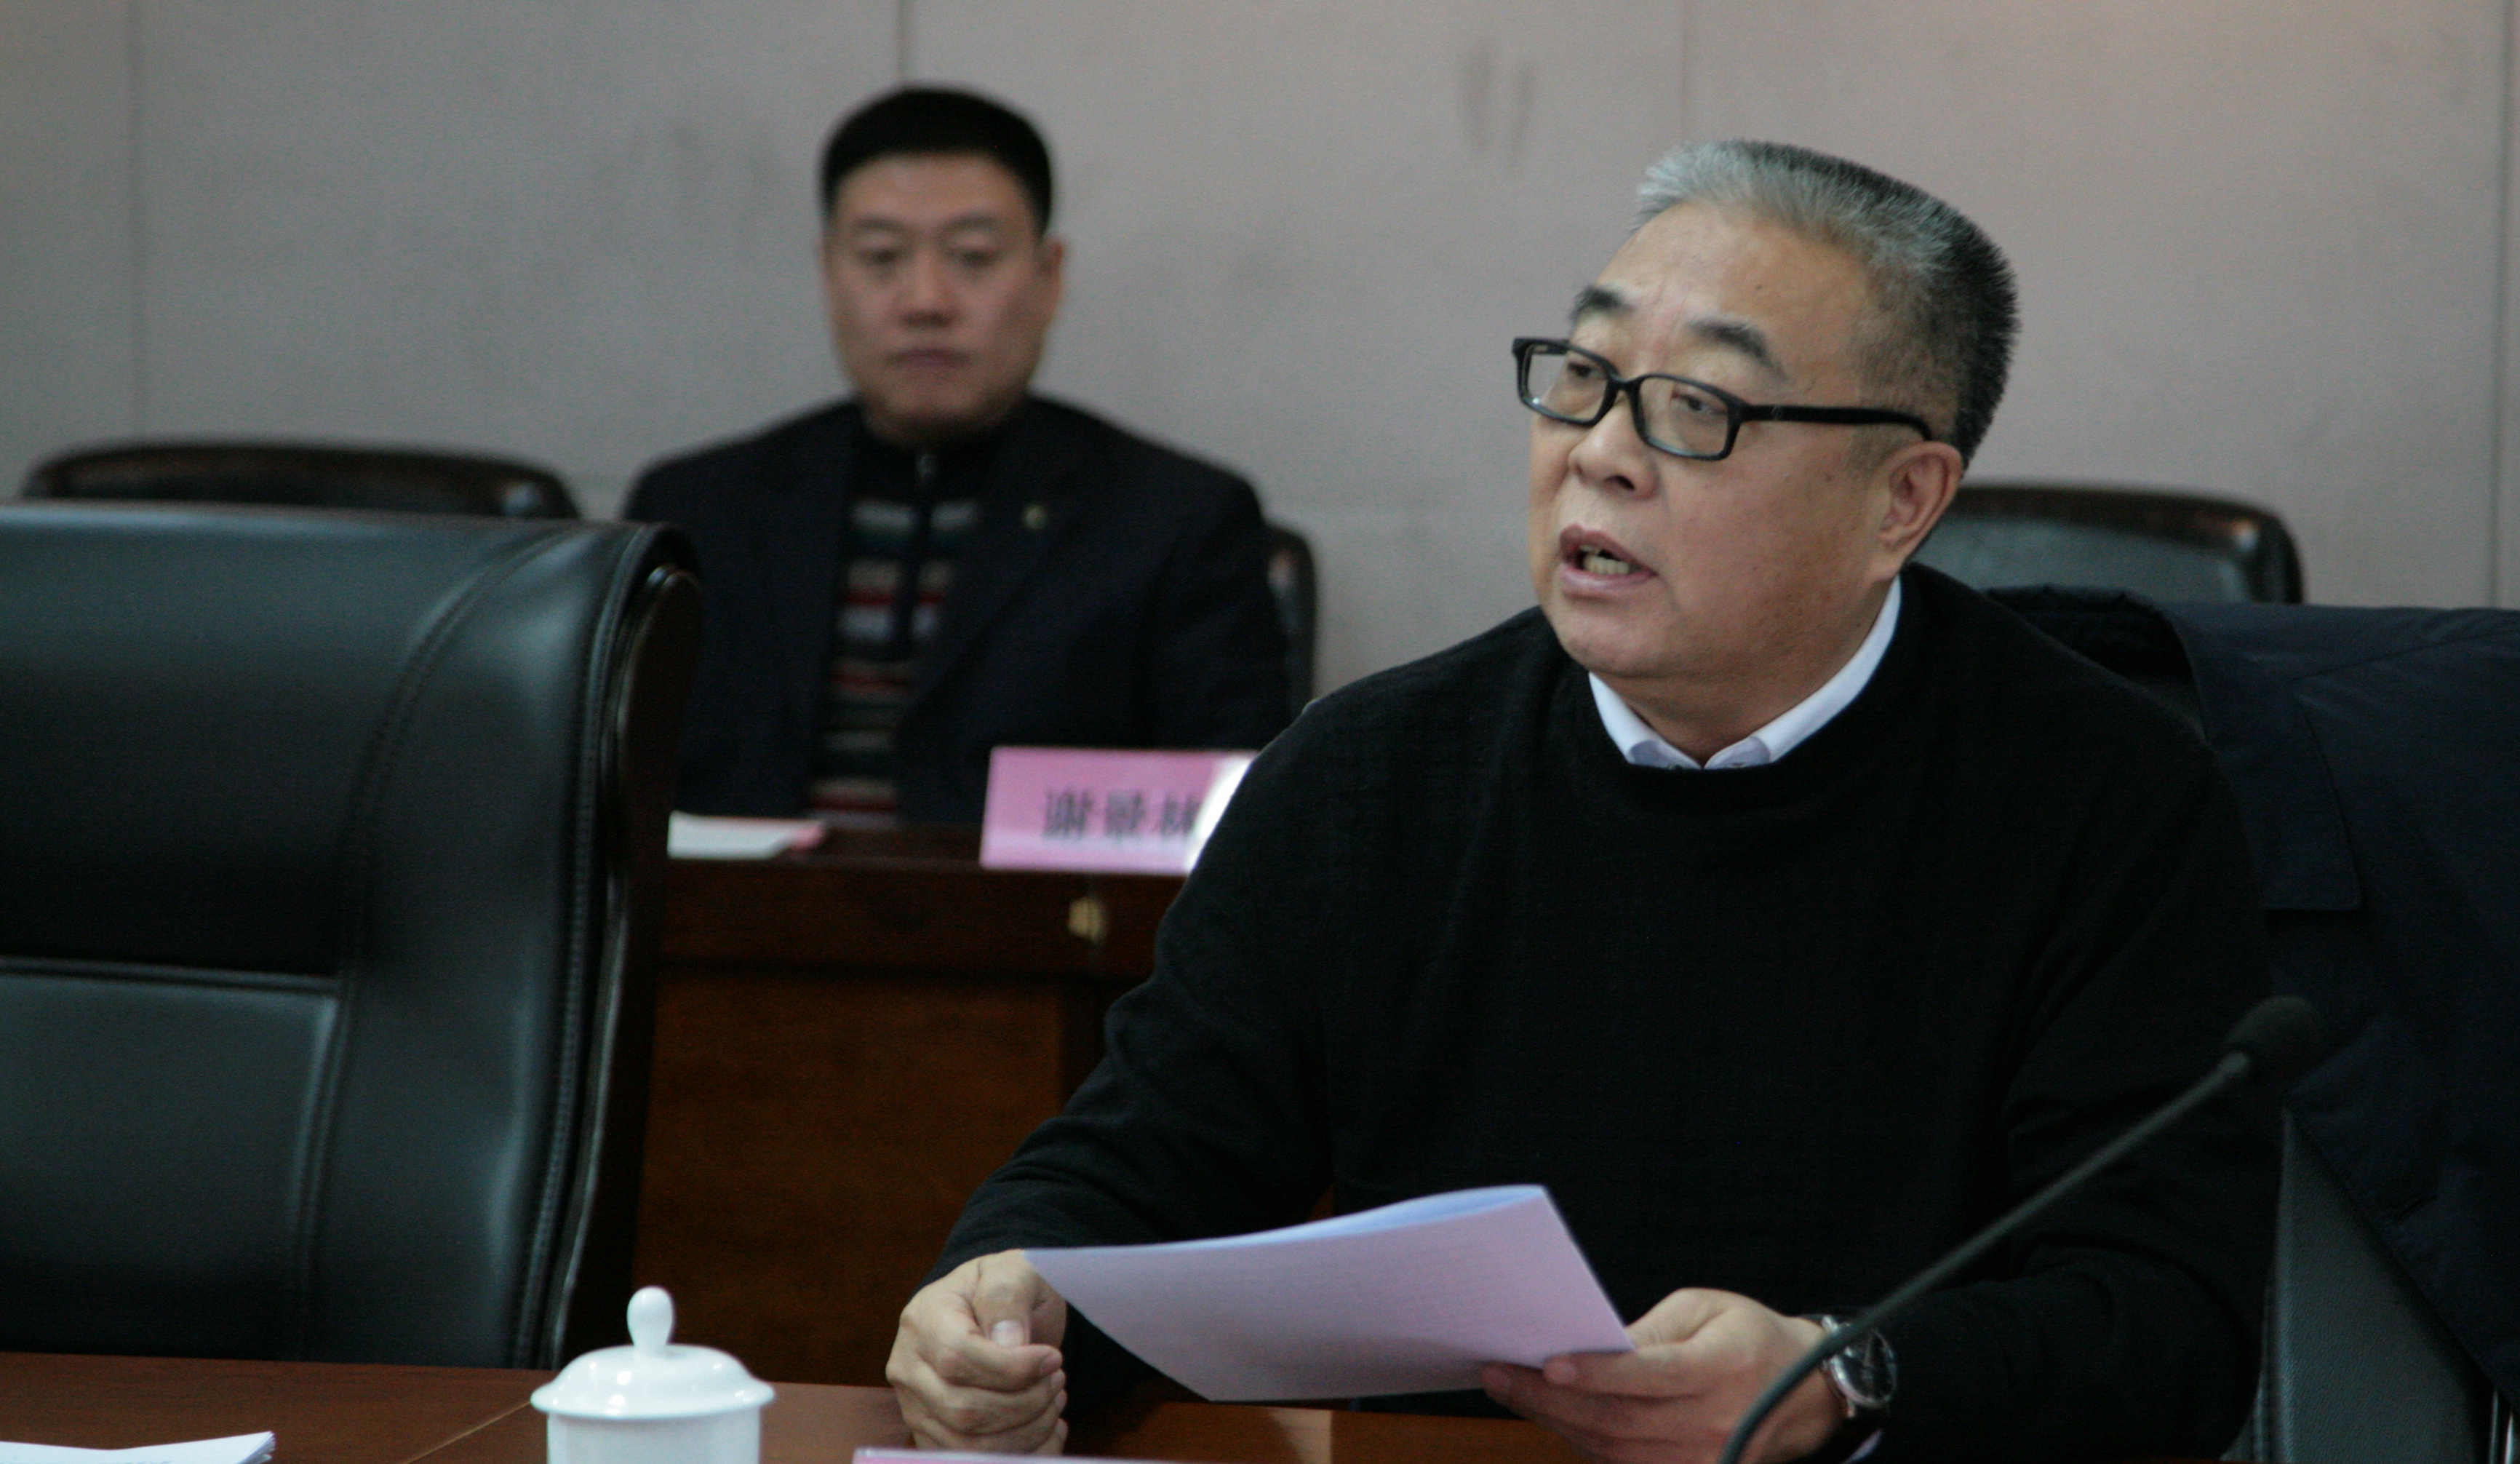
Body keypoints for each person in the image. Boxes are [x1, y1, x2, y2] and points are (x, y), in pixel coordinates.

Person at [886, 140, 2278, 1464]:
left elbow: (2163, 1317)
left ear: (1899, 501)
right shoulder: (1365, 776)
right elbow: (1147, 1157)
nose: (1601, 452)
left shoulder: (2108, 801)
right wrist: (1005, 1292)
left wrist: (1836, 1376)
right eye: (1583, 377)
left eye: (1699, 408)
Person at [628, 87, 1291, 825]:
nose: (926, 301)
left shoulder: (1175, 521)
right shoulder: (695, 511)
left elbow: (1239, 825)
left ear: (1049, 276)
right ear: (828, 272)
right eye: (881, 257)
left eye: (973, 257)